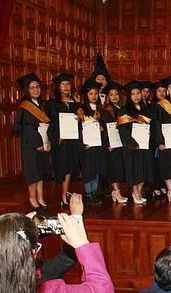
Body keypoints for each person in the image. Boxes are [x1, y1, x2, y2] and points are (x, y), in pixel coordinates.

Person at [0, 194, 115, 293]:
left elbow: (43, 270)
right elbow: (101, 289)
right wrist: (82, 243)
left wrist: (18, 232)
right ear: (32, 253)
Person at [13, 73, 51, 211]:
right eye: (32, 87)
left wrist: (48, 142)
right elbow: (28, 128)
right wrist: (38, 144)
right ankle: (32, 199)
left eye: (37, 87)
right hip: (31, 145)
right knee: (33, 172)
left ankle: (40, 198)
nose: (36, 90)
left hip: (43, 143)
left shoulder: (41, 105)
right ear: (27, 90)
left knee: (40, 171)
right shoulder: (25, 106)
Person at [47, 73, 82, 207]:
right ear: (58, 86)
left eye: (68, 84)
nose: (66, 87)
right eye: (63, 84)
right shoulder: (53, 103)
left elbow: (80, 119)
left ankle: (65, 192)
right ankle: (63, 193)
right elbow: (52, 122)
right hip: (61, 140)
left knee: (71, 166)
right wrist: (56, 137)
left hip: (72, 139)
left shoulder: (74, 101)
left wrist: (79, 114)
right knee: (63, 167)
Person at [118, 80, 153, 204]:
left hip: (144, 145)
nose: (136, 96)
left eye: (138, 93)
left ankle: (138, 190)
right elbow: (122, 131)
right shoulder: (123, 111)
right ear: (129, 96)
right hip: (132, 147)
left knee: (144, 169)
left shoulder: (145, 109)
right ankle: (135, 192)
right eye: (133, 94)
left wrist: (150, 134)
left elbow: (150, 126)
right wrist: (133, 144)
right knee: (134, 169)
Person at [79, 79, 107, 206]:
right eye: (91, 94)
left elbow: (106, 126)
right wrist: (82, 143)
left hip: (98, 145)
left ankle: (94, 193)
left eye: (96, 94)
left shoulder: (101, 110)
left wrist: (102, 129)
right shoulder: (81, 110)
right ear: (86, 95)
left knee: (96, 169)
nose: (94, 96)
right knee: (88, 170)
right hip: (87, 146)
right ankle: (88, 194)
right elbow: (78, 128)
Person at [99, 81, 128, 203]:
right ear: (108, 97)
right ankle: (116, 191)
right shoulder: (106, 111)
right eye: (111, 95)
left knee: (120, 167)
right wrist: (107, 144)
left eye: (116, 94)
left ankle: (117, 191)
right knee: (114, 168)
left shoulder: (123, 109)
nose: (114, 96)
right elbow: (104, 130)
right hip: (112, 144)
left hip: (122, 143)